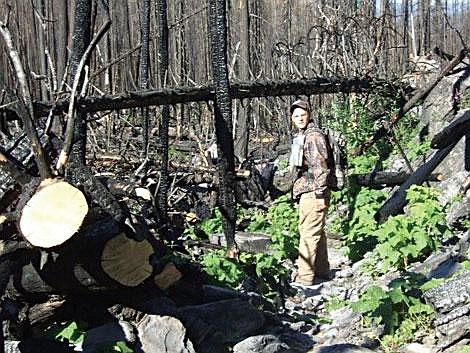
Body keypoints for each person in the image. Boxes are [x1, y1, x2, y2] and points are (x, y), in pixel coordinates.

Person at [289, 99, 332, 286]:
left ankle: (305, 277)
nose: (299, 118)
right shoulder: (303, 135)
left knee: (308, 233)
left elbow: (320, 167)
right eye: (296, 115)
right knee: (316, 231)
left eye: (302, 114)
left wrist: (321, 195)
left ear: (310, 114)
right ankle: (322, 271)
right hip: (308, 189)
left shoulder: (313, 137)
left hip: (314, 190)